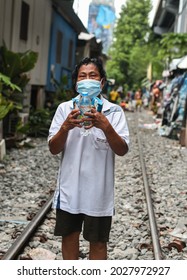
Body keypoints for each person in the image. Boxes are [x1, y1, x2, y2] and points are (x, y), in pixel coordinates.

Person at [48, 57, 130, 260]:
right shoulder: (65, 110)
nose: (87, 80)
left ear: (101, 82)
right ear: (76, 83)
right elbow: (53, 148)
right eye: (82, 76)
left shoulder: (114, 111)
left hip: (99, 192)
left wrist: (106, 126)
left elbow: (122, 150)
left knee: (99, 242)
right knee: (68, 237)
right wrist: (65, 128)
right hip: (70, 190)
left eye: (92, 75)